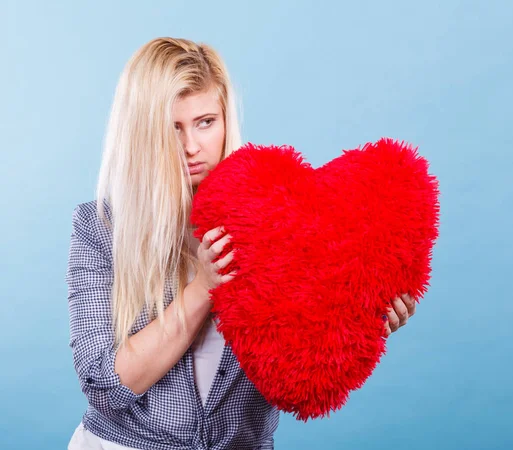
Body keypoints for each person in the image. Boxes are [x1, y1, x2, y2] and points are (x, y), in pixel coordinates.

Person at [65, 36, 416, 450]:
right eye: (171, 128)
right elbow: (105, 386)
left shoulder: (274, 217)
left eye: (206, 122)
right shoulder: (99, 228)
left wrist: (356, 317)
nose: (191, 147)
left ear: (226, 120)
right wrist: (203, 288)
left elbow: (295, 366)